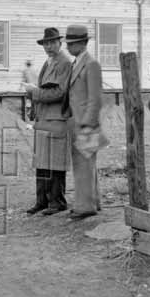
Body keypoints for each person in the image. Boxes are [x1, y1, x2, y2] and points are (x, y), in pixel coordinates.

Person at [23, 28, 73, 216]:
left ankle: (57, 202)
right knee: (42, 160)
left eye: (52, 42)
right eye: (46, 43)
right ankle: (41, 201)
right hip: (44, 117)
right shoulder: (48, 62)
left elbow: (60, 92)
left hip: (57, 116)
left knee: (55, 162)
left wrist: (33, 92)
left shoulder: (64, 63)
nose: (49, 46)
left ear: (60, 43)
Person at [64, 24, 106, 220]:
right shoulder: (76, 63)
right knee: (85, 165)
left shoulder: (91, 64)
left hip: (86, 123)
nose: (68, 47)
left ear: (82, 43)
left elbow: (95, 98)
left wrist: (87, 123)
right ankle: (92, 201)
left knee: (84, 165)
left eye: (71, 44)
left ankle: (84, 207)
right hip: (77, 121)